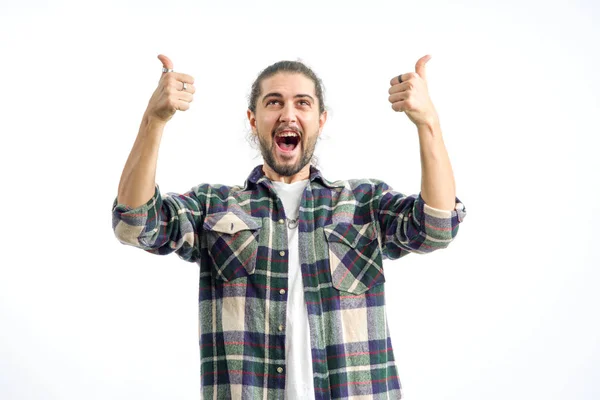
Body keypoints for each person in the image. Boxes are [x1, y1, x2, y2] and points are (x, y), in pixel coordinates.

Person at [112, 54, 466, 400]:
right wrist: (153, 121)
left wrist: (428, 123)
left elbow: (437, 227)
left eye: (302, 103)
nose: (288, 114)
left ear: (321, 120)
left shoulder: (363, 203)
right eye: (274, 102)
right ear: (253, 119)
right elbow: (134, 223)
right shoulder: (213, 206)